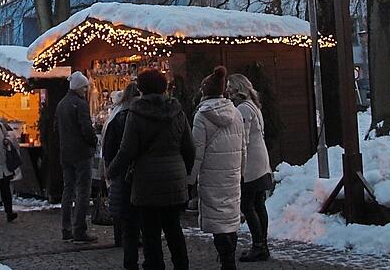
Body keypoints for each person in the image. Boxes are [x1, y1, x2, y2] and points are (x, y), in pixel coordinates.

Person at [107, 68, 195, 270]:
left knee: (150, 233)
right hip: (174, 180)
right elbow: (189, 147)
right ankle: (182, 266)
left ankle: (155, 266)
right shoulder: (177, 112)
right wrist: (184, 172)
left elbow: (126, 151)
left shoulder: (136, 113)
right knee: (174, 229)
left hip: (146, 183)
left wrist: (112, 171)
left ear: (141, 89)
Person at [192, 67, 245, 270]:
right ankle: (229, 258)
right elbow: (243, 146)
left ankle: (226, 260)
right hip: (231, 174)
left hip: (211, 175)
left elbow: (197, 152)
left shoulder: (202, 116)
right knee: (230, 218)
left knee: (217, 219)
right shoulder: (236, 113)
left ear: (205, 91)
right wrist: (241, 171)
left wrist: (190, 178)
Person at [228, 73, 273, 263]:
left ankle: (258, 245)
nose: (228, 90)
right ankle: (262, 243)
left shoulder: (243, 109)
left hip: (252, 163)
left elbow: (242, 138)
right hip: (260, 160)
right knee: (258, 203)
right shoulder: (253, 105)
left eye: (230, 86)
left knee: (248, 204)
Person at [56, 71, 99, 243]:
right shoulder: (80, 104)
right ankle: (79, 230)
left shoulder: (61, 104)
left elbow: (55, 128)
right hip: (81, 153)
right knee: (83, 192)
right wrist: (93, 141)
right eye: (84, 87)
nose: (85, 90)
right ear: (79, 87)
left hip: (66, 153)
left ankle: (66, 229)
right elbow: (87, 129)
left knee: (68, 190)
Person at [102, 82, 141, 270]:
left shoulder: (118, 117)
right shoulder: (148, 116)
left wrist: (111, 170)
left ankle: (130, 261)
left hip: (124, 175)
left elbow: (109, 150)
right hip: (144, 176)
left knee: (127, 220)